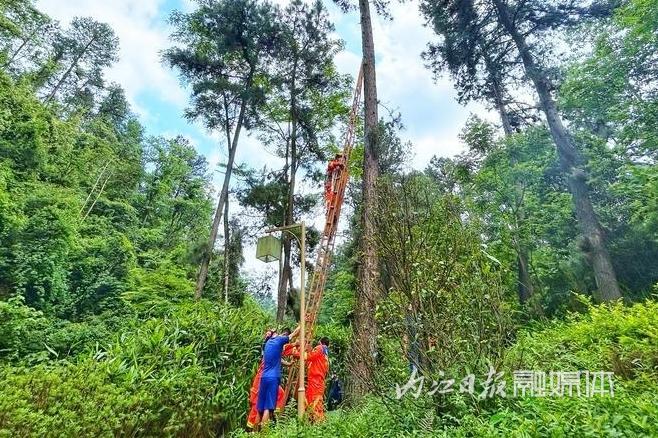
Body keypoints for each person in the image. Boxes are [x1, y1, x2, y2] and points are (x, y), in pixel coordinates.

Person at [255, 326, 300, 428]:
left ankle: (255, 432)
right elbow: (295, 333)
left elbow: (277, 359)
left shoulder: (267, 343)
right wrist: (303, 322)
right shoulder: (280, 339)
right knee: (268, 408)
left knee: (260, 408)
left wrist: (288, 364)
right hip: (273, 378)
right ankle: (264, 434)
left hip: (264, 377)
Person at [305, 337, 330, 422]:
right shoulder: (326, 353)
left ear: (320, 342)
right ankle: (316, 421)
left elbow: (310, 356)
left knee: (314, 400)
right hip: (319, 380)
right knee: (317, 400)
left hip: (315, 379)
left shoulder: (320, 348)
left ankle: (318, 422)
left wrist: (301, 352)